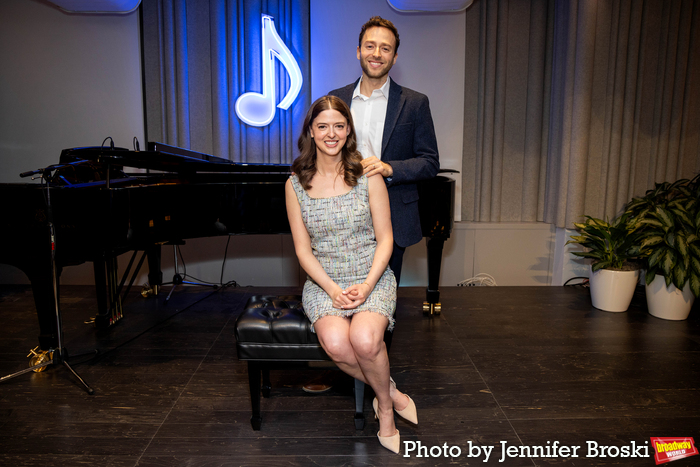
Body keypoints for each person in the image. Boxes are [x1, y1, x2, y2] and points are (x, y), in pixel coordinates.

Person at [303, 15, 440, 395]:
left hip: (390, 218)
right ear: (358, 51)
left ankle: (374, 390)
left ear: (395, 57)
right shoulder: (337, 98)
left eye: (385, 48)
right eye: (370, 46)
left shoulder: (414, 103)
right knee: (337, 305)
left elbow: (430, 161)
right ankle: (357, 380)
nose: (376, 53)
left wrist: (389, 167)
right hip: (338, 219)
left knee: (377, 313)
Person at [286, 95, 417, 454]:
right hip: (323, 281)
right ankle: (388, 392)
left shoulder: (367, 175)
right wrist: (331, 288)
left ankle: (386, 412)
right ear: (311, 131)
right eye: (323, 126)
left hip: (370, 275)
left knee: (364, 340)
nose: (332, 134)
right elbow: (302, 251)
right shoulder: (295, 183)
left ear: (349, 130)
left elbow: (386, 240)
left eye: (339, 126)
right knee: (338, 345)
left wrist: (368, 284)